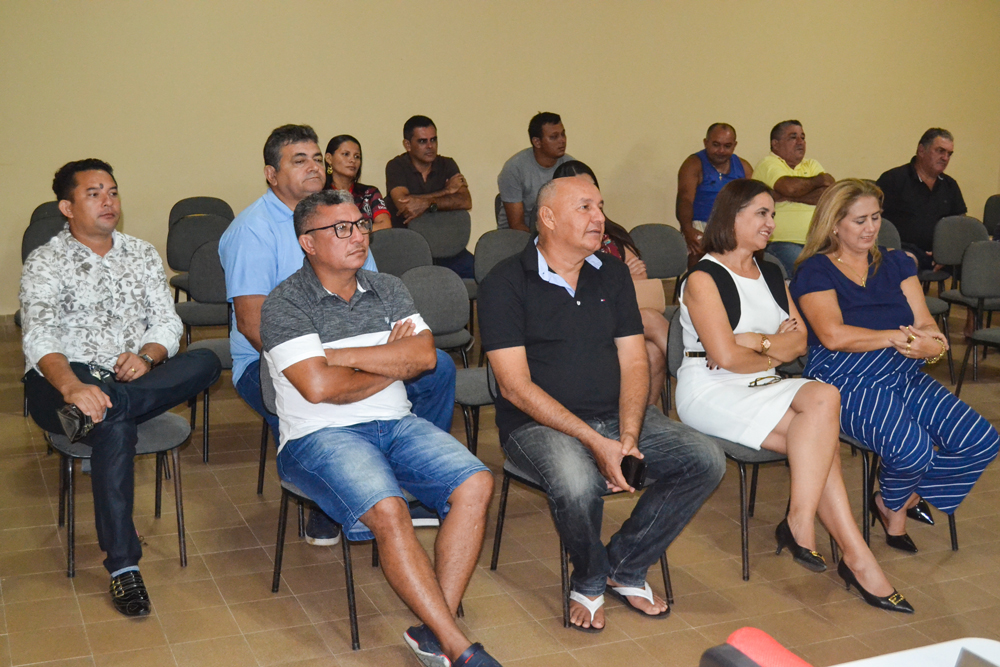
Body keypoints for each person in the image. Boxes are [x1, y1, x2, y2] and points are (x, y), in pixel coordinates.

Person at [260, 190, 499, 667]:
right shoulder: (284, 303)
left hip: (396, 423)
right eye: (341, 228)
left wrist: (341, 355)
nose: (358, 235)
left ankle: (435, 630)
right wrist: (393, 363)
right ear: (308, 242)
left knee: (477, 482)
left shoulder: (388, 287)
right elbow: (320, 389)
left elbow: (425, 357)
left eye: (361, 225)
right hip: (318, 438)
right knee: (391, 511)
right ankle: (458, 647)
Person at [478, 176, 726, 632]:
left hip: (614, 415)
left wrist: (627, 435)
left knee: (705, 458)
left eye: (601, 206)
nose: (600, 218)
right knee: (577, 481)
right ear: (548, 218)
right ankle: (590, 578)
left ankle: (625, 565)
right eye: (586, 207)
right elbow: (513, 387)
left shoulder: (609, 272)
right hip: (537, 425)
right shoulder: (506, 282)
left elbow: (635, 361)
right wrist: (597, 442)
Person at [675, 178, 912, 613]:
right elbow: (724, 358)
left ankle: (803, 522)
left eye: (772, 214)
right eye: (762, 214)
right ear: (732, 218)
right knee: (818, 447)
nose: (771, 223)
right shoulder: (703, 277)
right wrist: (766, 345)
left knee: (823, 401)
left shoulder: (770, 272)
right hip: (712, 391)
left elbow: (800, 342)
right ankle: (858, 562)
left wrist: (754, 342)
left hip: (762, 381)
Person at [220, 124, 457, 547]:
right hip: (269, 360)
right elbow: (253, 325)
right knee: (309, 396)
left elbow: (379, 300)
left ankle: (410, 478)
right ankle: (332, 503)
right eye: (298, 160)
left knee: (438, 367)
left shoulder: (343, 217)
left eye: (316, 158)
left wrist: (363, 356)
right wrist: (376, 360)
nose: (313, 166)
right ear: (271, 174)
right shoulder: (251, 231)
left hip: (347, 349)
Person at [21, 159, 222, 617]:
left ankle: (110, 407)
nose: (108, 201)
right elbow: (39, 335)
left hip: (132, 376)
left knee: (206, 360)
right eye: (93, 194)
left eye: (112, 191)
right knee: (116, 428)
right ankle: (123, 568)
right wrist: (73, 388)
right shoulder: (46, 261)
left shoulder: (141, 253)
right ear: (67, 207)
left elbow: (166, 320)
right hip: (63, 380)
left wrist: (148, 355)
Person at [791, 178, 998, 555]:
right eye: (859, 220)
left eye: (876, 217)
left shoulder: (898, 262)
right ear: (834, 224)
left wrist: (928, 347)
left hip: (902, 371)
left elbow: (931, 330)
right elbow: (834, 336)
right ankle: (897, 508)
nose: (871, 228)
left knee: (979, 439)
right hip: (843, 378)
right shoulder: (814, 270)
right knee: (913, 451)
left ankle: (893, 501)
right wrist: (896, 338)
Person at [553, 160, 669, 406]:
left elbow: (640, 279)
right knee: (651, 320)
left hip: (623, 309)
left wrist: (624, 276)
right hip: (581, 318)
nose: (590, 198)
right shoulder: (555, 240)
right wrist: (620, 275)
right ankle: (694, 370)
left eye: (593, 188)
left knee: (654, 352)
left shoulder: (613, 234)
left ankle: (642, 422)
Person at [384, 115, 474, 278]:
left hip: (447, 248)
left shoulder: (447, 164)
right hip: (408, 251)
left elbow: (465, 201)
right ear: (407, 145)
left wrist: (427, 203)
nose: (430, 146)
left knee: (486, 275)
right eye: (422, 141)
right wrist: (446, 192)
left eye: (433, 140)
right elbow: (405, 205)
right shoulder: (396, 166)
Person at [876, 128, 966, 272]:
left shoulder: (950, 185)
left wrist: (947, 252)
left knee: (983, 262)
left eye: (949, 154)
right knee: (905, 261)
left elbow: (959, 224)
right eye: (940, 151)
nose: (945, 158)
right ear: (921, 150)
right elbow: (874, 219)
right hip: (902, 250)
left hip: (941, 253)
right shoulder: (893, 179)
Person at [754, 120, 835, 276]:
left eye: (803, 137)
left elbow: (828, 196)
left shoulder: (812, 164)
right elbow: (788, 187)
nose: (800, 142)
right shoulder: (768, 163)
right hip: (783, 242)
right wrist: (818, 180)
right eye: (793, 137)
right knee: (811, 274)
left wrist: (788, 196)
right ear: (775, 144)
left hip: (819, 242)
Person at [676, 123, 754, 264]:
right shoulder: (693, 164)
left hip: (733, 225)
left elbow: (754, 202)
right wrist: (687, 229)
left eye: (727, 146)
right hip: (701, 224)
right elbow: (685, 199)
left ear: (735, 145)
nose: (721, 150)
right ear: (706, 143)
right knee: (698, 251)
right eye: (716, 145)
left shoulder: (744, 167)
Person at [497, 111, 574, 232]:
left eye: (563, 134)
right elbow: (516, 225)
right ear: (537, 142)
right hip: (517, 239)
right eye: (554, 137)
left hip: (556, 235)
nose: (562, 141)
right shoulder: (514, 169)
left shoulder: (571, 166)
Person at [324, 134, 392, 231]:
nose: (352, 160)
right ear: (329, 158)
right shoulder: (318, 195)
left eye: (357, 156)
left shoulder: (369, 193)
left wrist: (350, 232)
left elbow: (385, 225)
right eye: (346, 154)